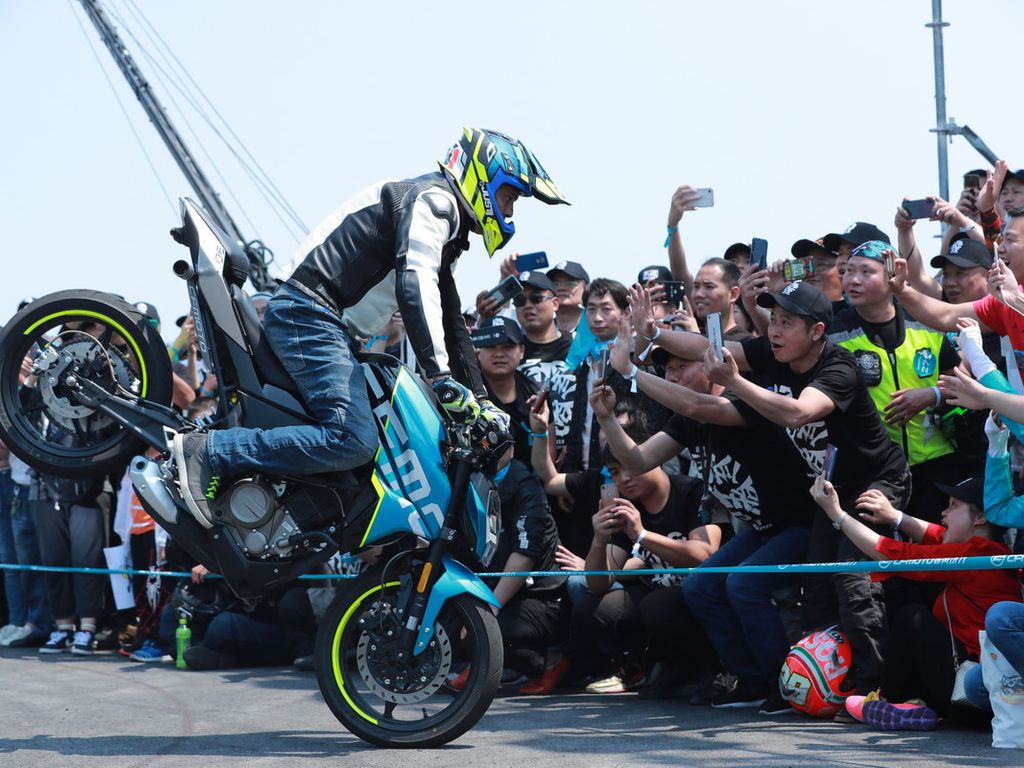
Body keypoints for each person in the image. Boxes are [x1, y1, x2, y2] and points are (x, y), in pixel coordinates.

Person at [173, 128, 568, 527]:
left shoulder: (443, 226)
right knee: (353, 438)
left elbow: (452, 324)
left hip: (325, 325)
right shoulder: (433, 203)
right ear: (484, 179)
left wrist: (481, 401)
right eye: (509, 196)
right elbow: (415, 288)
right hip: (310, 315)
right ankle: (211, 450)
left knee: (374, 450)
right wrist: (442, 379)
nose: (510, 211)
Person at [647, 279, 911, 700]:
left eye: (787, 322)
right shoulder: (774, 352)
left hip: (874, 482)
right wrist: (653, 333)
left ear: (817, 331)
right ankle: (826, 687)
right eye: (774, 319)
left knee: (852, 582)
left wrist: (735, 383)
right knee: (817, 592)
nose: (774, 329)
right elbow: (704, 348)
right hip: (826, 493)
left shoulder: (839, 367)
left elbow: (797, 413)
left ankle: (874, 690)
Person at [810, 473, 1019, 722]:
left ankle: (888, 702)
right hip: (982, 689)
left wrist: (836, 514)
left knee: (912, 617)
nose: (943, 513)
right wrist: (895, 517)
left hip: (971, 696)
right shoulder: (989, 551)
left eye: (953, 506)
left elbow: (895, 554)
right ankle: (912, 703)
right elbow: (938, 535)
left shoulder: (975, 555)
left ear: (981, 518)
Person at [471, 317, 538, 464]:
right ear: (477, 352)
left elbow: (548, 454)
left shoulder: (535, 394)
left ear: (521, 351)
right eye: (490, 346)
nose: (499, 354)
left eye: (508, 347)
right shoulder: (467, 396)